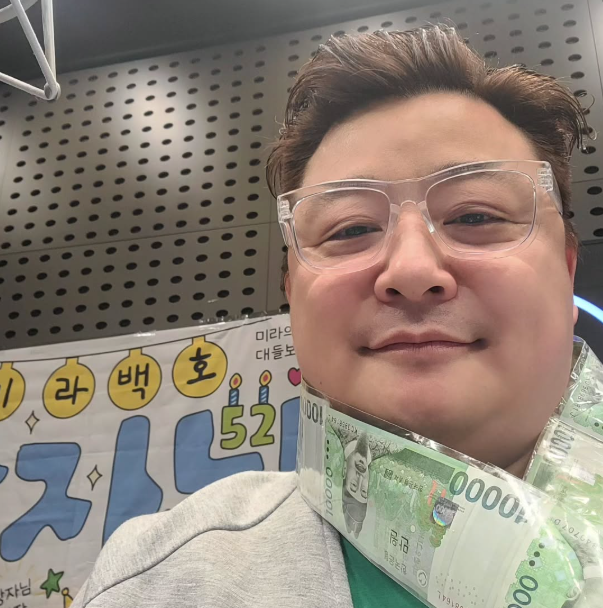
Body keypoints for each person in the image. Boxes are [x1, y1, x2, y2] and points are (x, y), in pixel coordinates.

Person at [72, 24, 590, 608]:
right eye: (350, 229)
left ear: (567, 272)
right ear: (292, 295)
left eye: (475, 217)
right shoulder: (158, 582)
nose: (411, 269)